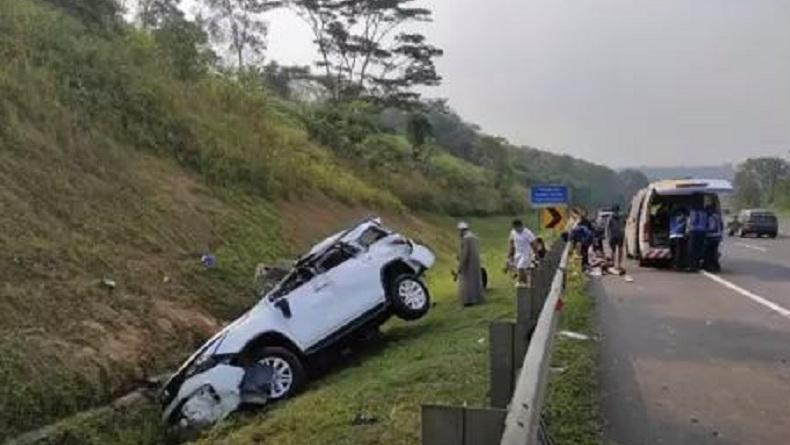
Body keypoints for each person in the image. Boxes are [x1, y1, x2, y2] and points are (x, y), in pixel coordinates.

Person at [457, 222, 484, 306]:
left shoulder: (466, 239)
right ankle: (478, 298)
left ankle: (469, 300)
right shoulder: (474, 237)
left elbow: (465, 253)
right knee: (476, 280)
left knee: (467, 282)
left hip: (468, 263)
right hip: (476, 262)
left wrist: (461, 264)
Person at [508, 219, 536, 287]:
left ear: (521, 226)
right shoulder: (513, 232)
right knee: (519, 268)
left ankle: (520, 281)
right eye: (515, 228)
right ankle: (525, 282)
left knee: (521, 267)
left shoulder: (527, 233)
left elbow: (533, 244)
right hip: (517, 253)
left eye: (518, 227)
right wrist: (510, 253)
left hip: (526, 253)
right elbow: (511, 242)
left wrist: (536, 254)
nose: (516, 229)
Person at [686, 205, 708, 271]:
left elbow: (693, 221)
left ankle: (692, 266)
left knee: (692, 249)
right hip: (703, 231)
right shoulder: (704, 213)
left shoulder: (693, 211)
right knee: (699, 249)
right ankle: (697, 265)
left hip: (694, 231)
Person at [607, 204, 626, 271]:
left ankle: (614, 264)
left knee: (613, 250)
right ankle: (619, 264)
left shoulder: (610, 218)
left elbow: (607, 228)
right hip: (620, 235)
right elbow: (625, 225)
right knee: (620, 250)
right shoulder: (622, 217)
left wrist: (608, 236)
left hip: (614, 235)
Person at [704, 205, 723, 272]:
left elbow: (712, 228)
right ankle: (716, 267)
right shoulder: (717, 216)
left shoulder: (712, 217)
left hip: (712, 237)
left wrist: (704, 230)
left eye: (707, 210)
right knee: (713, 252)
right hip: (717, 237)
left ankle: (712, 267)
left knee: (709, 253)